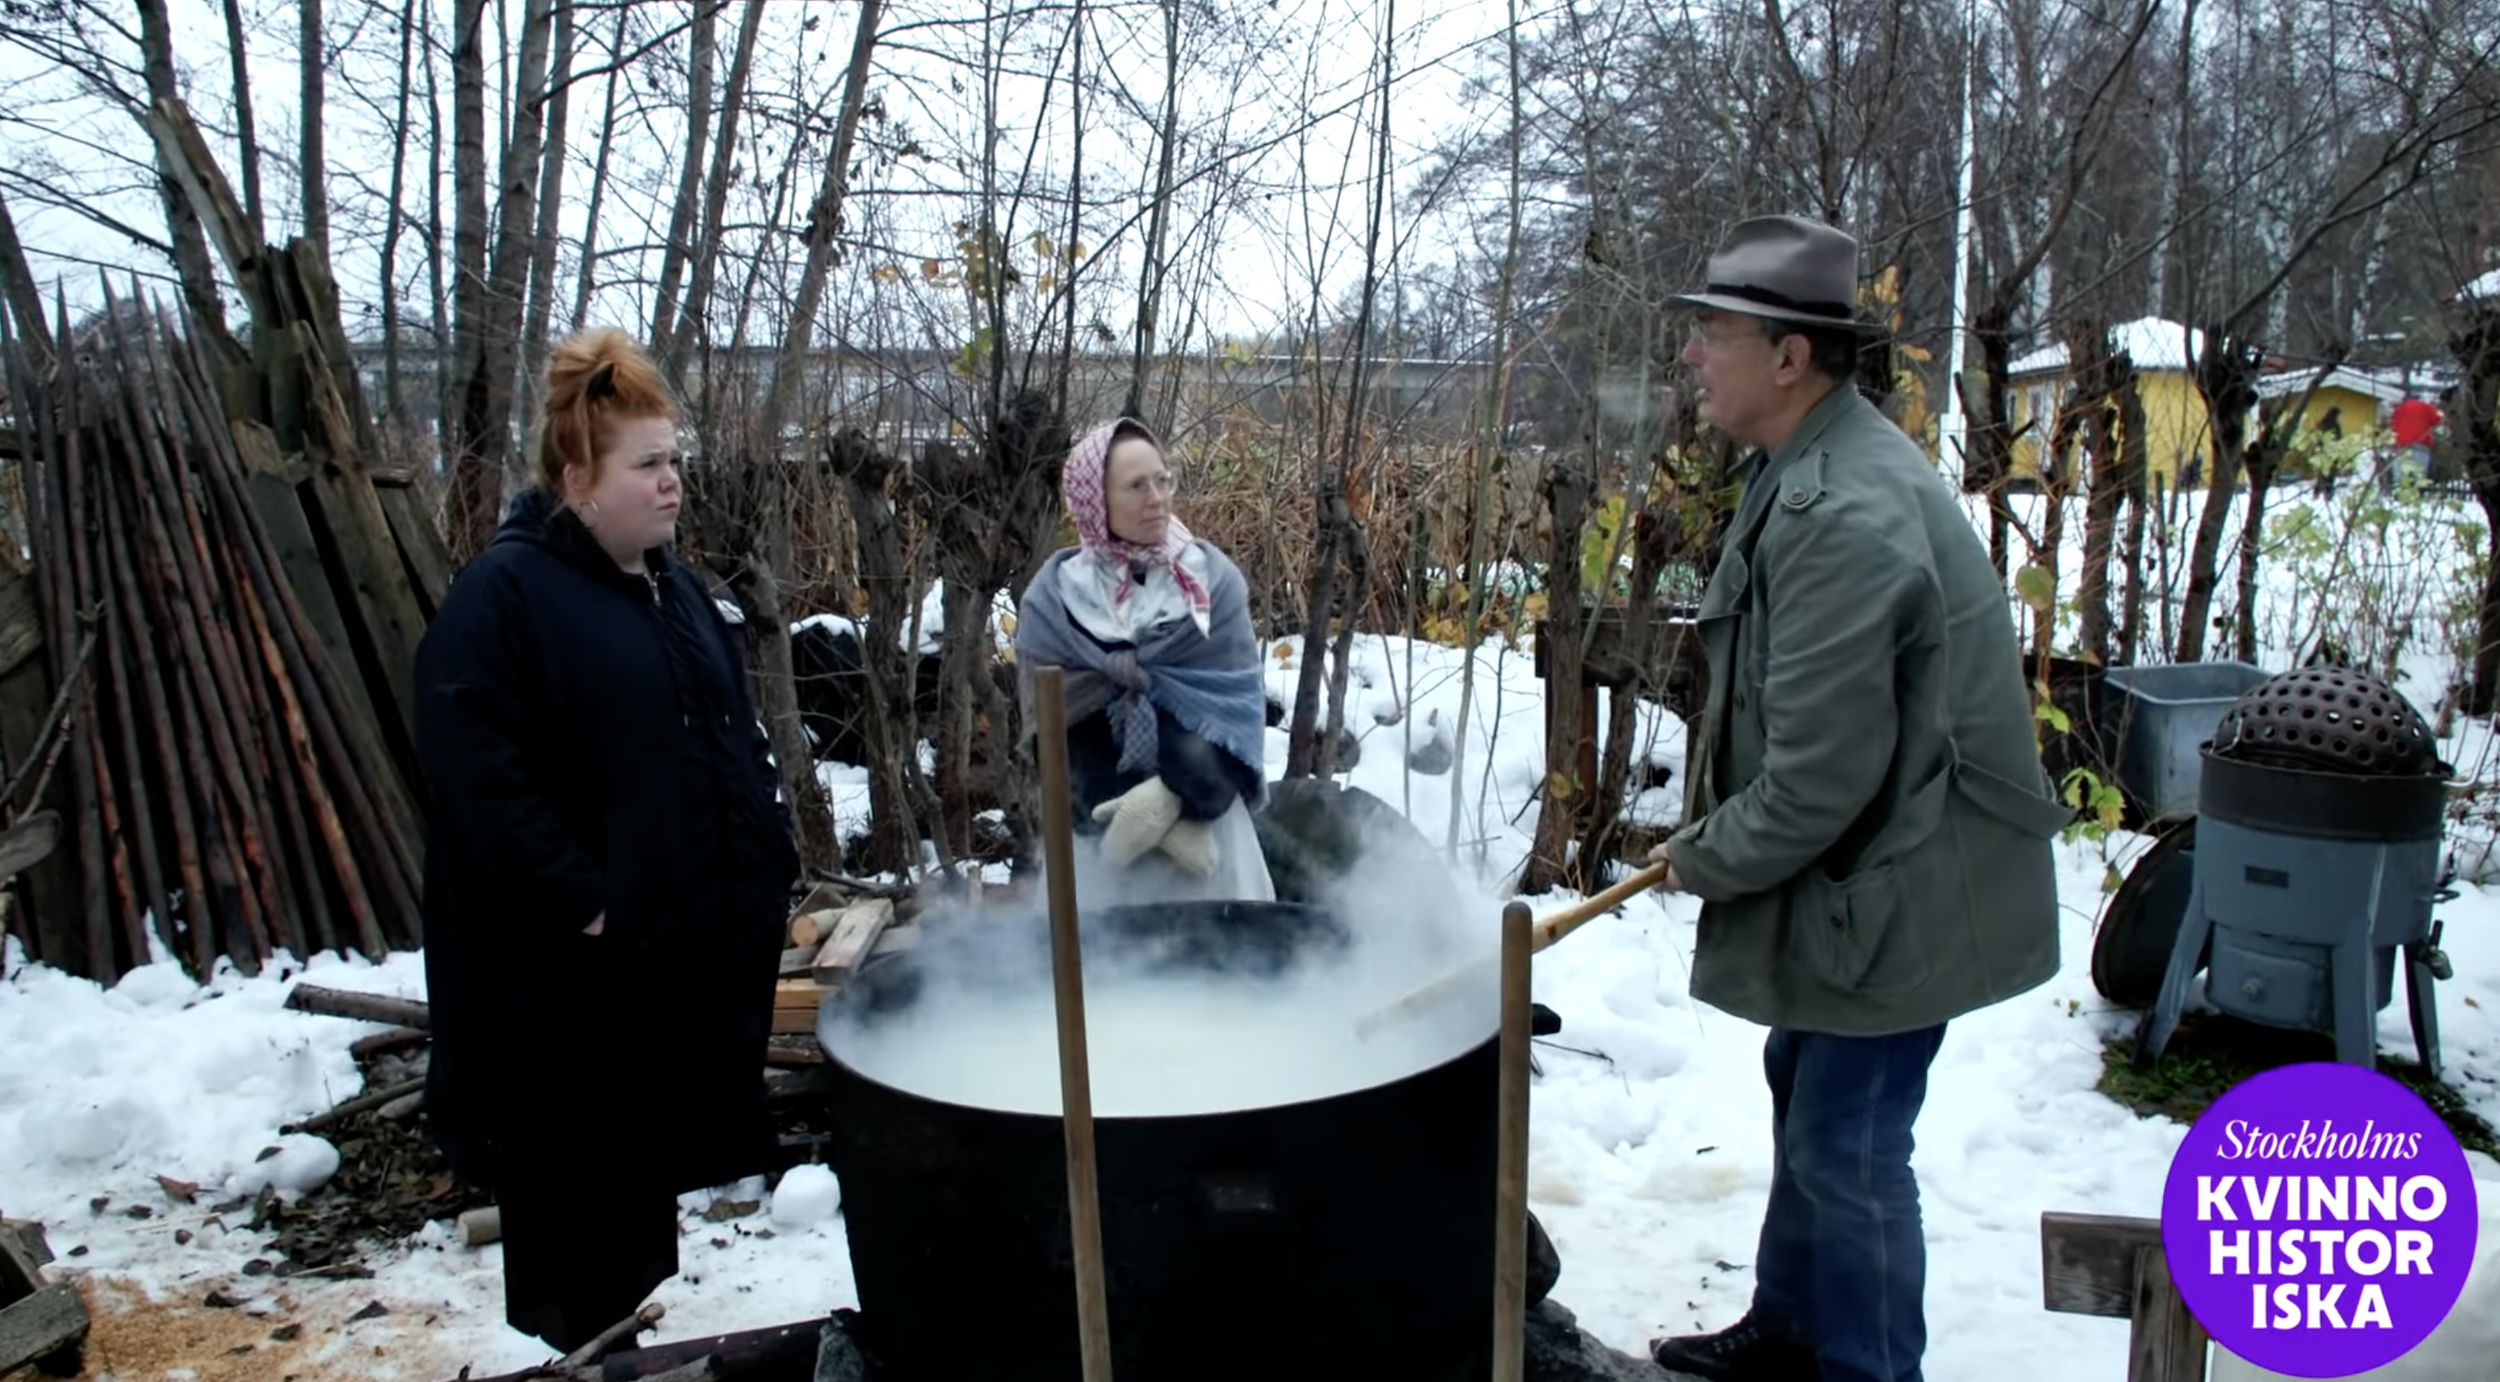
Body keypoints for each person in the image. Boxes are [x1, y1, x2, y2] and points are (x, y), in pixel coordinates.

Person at [1640, 216, 2074, 1382]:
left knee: (1853, 1141)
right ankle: (1791, 1326)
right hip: (1872, 865)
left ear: (1790, 356)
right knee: (1808, 1089)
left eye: (1713, 335)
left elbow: (1817, 779)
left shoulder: (1839, 509)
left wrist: (1702, 854)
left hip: (1907, 881)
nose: (1694, 356)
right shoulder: (1805, 466)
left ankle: (1869, 1367)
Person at [413, 329, 801, 1350]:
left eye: (676, 459)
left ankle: (613, 1347)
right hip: (567, 983)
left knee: (633, 1199)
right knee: (576, 1204)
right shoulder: (502, 597)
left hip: (653, 965)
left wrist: (760, 851)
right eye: (649, 464)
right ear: (579, 473)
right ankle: (586, 1354)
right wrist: (581, 895)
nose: (673, 482)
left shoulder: (672, 589)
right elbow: (471, 777)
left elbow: (728, 737)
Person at [1014, 417, 1275, 905]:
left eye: (1162, 479)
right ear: (1096, 499)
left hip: (1208, 830)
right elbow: (1053, 739)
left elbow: (1235, 719)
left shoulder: (1212, 586)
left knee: (1229, 967)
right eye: (1136, 486)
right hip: (1101, 838)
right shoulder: (1052, 603)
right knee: (1102, 972)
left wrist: (1175, 800)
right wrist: (1112, 808)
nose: (1157, 497)